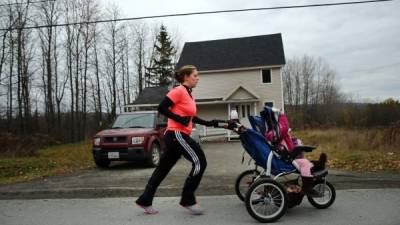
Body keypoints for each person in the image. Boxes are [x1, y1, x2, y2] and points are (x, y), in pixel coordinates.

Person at [136, 65, 219, 215]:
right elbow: (162, 107)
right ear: (186, 77)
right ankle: (188, 199)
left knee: (162, 169)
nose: (197, 78)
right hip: (176, 134)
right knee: (200, 161)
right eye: (195, 75)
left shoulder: (189, 94)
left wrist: (209, 123)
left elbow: (190, 117)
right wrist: (178, 119)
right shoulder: (179, 90)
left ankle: (145, 200)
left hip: (177, 135)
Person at [264, 109, 324, 197]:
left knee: (305, 161)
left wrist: (293, 140)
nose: (288, 132)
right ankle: (307, 187)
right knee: (305, 163)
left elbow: (285, 134)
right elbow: (284, 128)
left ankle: (318, 165)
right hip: (287, 159)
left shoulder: (274, 133)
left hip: (286, 156)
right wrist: (282, 116)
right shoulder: (276, 133)